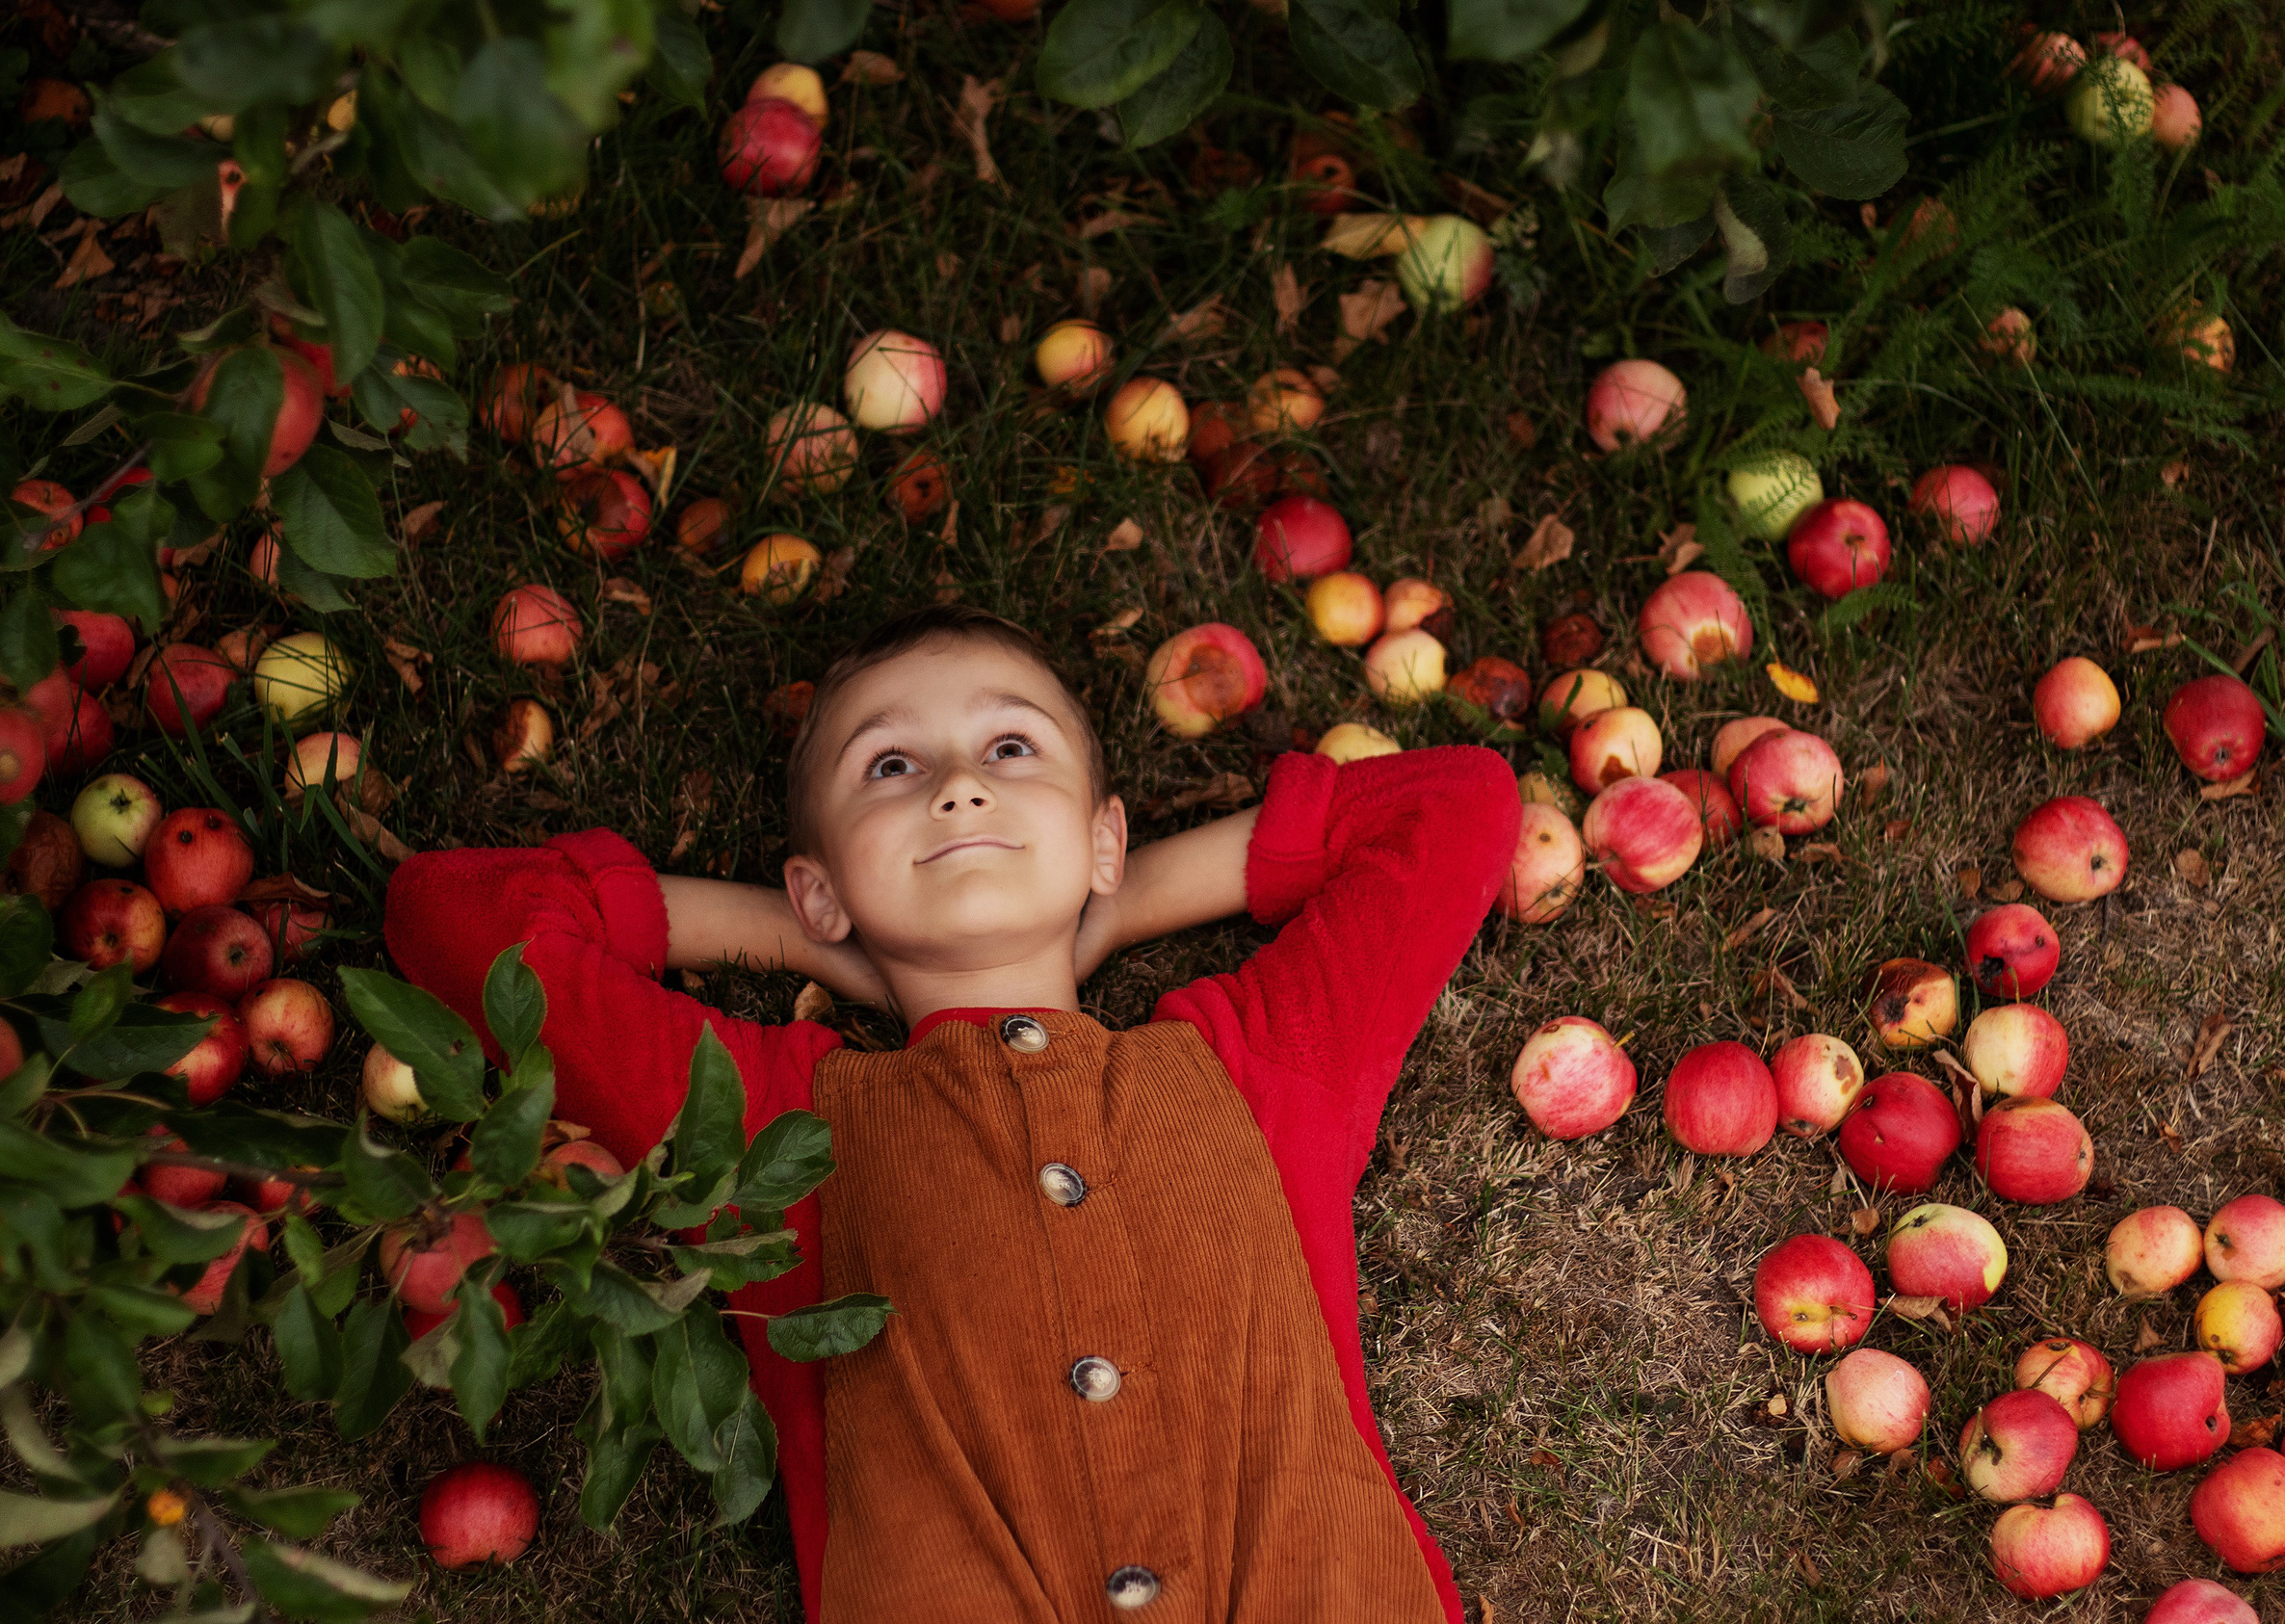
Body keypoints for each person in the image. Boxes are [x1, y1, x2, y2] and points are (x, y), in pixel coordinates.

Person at [385, 604, 1521, 1622]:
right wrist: (822, 939)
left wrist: (1114, 905)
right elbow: (456, 918)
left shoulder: (1262, 1067)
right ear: (819, 884)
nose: (958, 786)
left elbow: (1455, 805)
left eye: (1010, 747)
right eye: (890, 766)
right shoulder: (779, 1130)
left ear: (1103, 836)